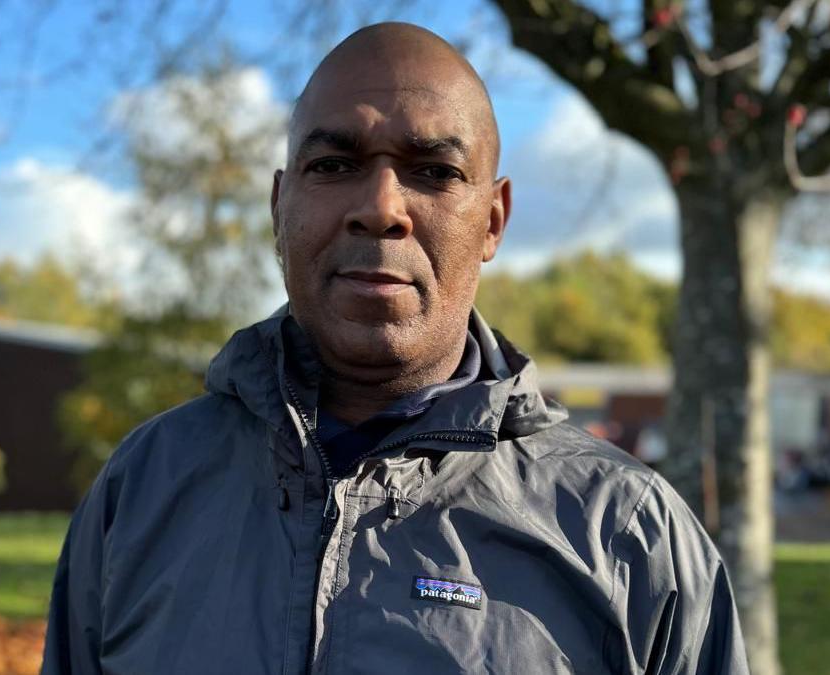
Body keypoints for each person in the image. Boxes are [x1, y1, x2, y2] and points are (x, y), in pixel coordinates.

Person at [41, 22, 748, 675]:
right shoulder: (141, 490)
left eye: (434, 171)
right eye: (333, 163)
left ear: (494, 220)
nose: (381, 206)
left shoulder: (629, 534)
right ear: (279, 208)